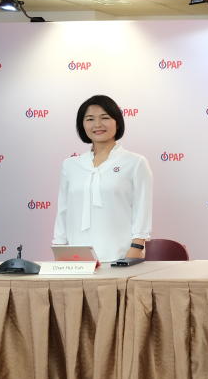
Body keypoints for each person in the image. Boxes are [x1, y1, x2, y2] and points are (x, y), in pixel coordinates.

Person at [52, 94, 152, 262]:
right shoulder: (71, 165)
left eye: (104, 118)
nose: (97, 125)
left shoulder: (135, 162)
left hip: (121, 257)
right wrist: (59, 248)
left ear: (117, 122)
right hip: (78, 260)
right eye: (90, 119)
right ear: (82, 125)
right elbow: (63, 211)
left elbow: (142, 208)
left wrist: (135, 249)